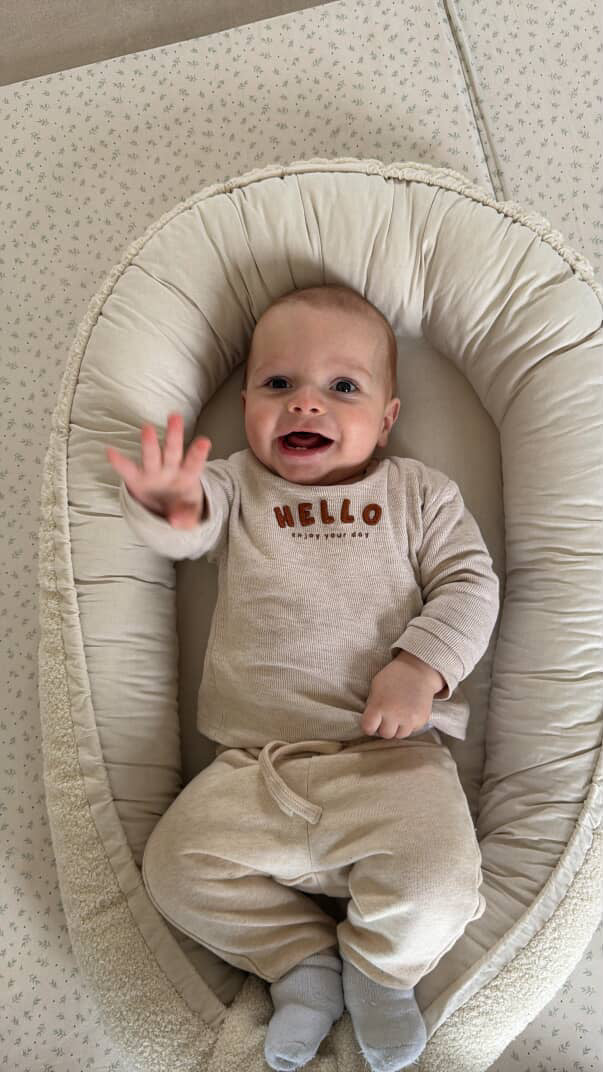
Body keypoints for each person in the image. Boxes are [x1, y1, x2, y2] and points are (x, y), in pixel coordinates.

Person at [107, 284, 500, 1072]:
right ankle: (300, 959)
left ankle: (379, 969)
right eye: (278, 383)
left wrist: (420, 667)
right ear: (246, 403)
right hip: (253, 770)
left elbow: (470, 583)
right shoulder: (237, 485)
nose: (305, 404)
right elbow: (189, 529)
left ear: (386, 417)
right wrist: (169, 505)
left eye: (342, 386)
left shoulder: (418, 493)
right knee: (175, 870)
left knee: (439, 885)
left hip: (390, 760)